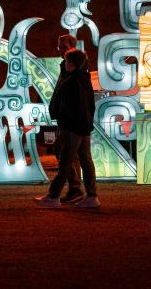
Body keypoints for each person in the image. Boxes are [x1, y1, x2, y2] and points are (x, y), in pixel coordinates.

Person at [36, 45, 99, 209]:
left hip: (71, 128)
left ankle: (53, 196)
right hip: (84, 126)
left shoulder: (70, 82)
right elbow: (90, 105)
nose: (64, 64)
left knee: (65, 162)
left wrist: (62, 121)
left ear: (71, 64)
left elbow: (66, 106)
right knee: (86, 160)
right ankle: (92, 196)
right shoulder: (85, 80)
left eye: (66, 61)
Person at [55, 34, 85, 204]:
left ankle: (73, 189)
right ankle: (77, 189)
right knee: (74, 155)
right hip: (67, 117)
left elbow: (69, 94)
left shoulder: (75, 68)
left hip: (70, 119)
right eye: (59, 47)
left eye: (63, 47)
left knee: (67, 153)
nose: (60, 50)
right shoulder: (66, 66)